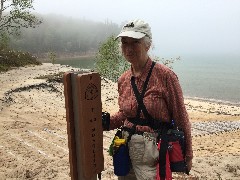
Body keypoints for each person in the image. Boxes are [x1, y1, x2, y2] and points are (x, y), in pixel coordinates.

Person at [103, 19, 193, 180]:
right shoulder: (123, 79)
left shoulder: (165, 76)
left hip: (152, 153)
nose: (128, 48)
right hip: (124, 148)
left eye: (135, 42)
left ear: (147, 44)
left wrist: (188, 154)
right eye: (124, 42)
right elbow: (125, 116)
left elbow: (181, 116)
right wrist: (106, 121)